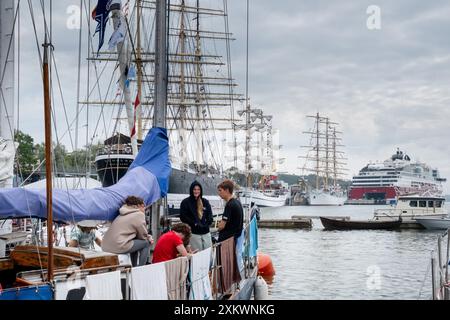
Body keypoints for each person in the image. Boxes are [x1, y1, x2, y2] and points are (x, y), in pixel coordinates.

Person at [101, 196, 153, 267]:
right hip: (118, 245)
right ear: (137, 206)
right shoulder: (139, 214)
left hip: (105, 245)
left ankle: (134, 267)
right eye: (143, 207)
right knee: (146, 243)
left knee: (135, 241)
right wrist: (149, 238)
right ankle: (141, 269)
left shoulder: (122, 213)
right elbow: (143, 236)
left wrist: (145, 236)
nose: (144, 209)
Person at [179, 181, 213, 251]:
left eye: (198, 189)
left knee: (208, 252)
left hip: (206, 232)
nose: (196, 191)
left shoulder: (205, 202)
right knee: (197, 254)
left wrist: (207, 224)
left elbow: (210, 215)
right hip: (194, 233)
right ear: (191, 190)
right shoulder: (185, 202)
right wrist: (194, 223)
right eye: (194, 189)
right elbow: (183, 217)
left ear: (201, 190)